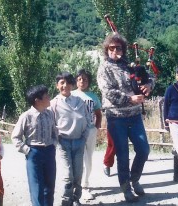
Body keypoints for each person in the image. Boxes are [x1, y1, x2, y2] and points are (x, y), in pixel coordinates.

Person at [97, 32, 153, 203]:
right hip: (116, 117)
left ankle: (134, 179)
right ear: (107, 49)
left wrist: (149, 85)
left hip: (135, 116)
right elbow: (109, 92)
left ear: (122, 48)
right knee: (122, 154)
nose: (115, 50)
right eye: (111, 48)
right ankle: (126, 187)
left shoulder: (129, 64)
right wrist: (130, 99)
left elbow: (148, 76)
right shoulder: (103, 68)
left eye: (118, 47)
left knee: (143, 150)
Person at [49, 71, 91, 206]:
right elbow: (51, 124)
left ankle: (76, 198)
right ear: (57, 86)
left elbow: (87, 119)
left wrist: (84, 137)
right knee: (68, 175)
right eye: (62, 83)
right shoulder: (53, 104)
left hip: (79, 141)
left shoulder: (79, 101)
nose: (65, 86)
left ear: (72, 85)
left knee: (78, 174)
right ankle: (66, 201)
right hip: (63, 142)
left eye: (68, 83)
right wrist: (57, 140)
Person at [11, 85, 58, 206]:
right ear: (37, 100)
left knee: (50, 187)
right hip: (34, 153)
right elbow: (15, 137)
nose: (49, 98)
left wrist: (53, 144)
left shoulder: (50, 114)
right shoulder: (26, 116)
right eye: (46, 96)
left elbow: (54, 132)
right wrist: (28, 150)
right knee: (37, 188)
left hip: (49, 152)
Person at [71, 69, 102, 200]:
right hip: (75, 131)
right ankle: (76, 185)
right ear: (76, 81)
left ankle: (85, 184)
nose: (82, 82)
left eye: (85, 79)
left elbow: (98, 114)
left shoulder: (93, 96)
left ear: (88, 82)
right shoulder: (71, 95)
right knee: (77, 158)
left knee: (88, 158)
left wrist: (96, 127)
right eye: (79, 79)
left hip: (90, 131)